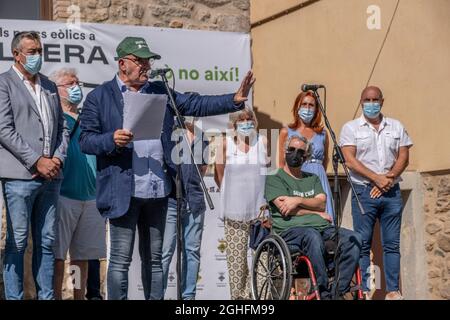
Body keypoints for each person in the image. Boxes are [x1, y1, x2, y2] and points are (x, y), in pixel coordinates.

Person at [79, 36, 255, 300]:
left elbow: (196, 104)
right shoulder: (99, 97)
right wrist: (111, 139)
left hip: (157, 190)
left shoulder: (160, 91)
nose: (146, 66)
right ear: (123, 63)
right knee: (119, 261)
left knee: (155, 261)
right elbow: (86, 140)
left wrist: (235, 99)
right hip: (123, 190)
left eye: (148, 61)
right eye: (140, 61)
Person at [0, 31, 69, 299]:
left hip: (51, 177)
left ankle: (46, 296)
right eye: (31, 52)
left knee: (47, 242)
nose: (37, 56)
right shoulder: (4, 84)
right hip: (19, 176)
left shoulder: (50, 86)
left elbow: (63, 128)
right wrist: (36, 160)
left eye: (40, 51)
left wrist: (58, 159)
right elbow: (4, 129)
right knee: (17, 242)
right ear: (16, 55)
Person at [265, 135, 361, 300]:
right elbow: (285, 210)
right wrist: (315, 212)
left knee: (354, 238)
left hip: (322, 228)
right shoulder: (274, 178)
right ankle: (322, 291)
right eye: (291, 150)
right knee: (311, 235)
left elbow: (322, 203)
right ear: (285, 151)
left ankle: (337, 291)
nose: (295, 154)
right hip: (290, 232)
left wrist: (298, 200)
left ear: (306, 156)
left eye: (301, 152)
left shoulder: (313, 179)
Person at [339, 86, 413, 300]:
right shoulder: (351, 128)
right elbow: (350, 160)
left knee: (392, 244)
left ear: (382, 100)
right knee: (362, 244)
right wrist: (376, 179)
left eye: (375, 99)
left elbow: (403, 156)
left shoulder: (396, 126)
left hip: (391, 193)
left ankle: (392, 290)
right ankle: (363, 290)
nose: (371, 103)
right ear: (361, 102)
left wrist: (386, 179)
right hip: (363, 192)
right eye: (367, 99)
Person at [49, 68, 106, 300]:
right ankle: (54, 295)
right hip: (64, 195)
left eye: (77, 82)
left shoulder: (88, 119)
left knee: (82, 256)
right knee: (58, 255)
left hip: (91, 198)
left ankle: (79, 295)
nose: (76, 87)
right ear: (57, 90)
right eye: (70, 83)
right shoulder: (54, 118)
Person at [214, 106, 268, 300]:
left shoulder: (263, 141)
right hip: (234, 212)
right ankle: (239, 299)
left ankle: (260, 299)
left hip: (260, 214)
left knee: (262, 261)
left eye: (249, 119)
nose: (246, 123)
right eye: (242, 120)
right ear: (234, 124)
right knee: (236, 265)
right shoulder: (225, 143)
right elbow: (219, 175)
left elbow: (270, 173)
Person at [161, 117, 207, 300]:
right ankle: (158, 295)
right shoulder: (169, 134)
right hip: (171, 200)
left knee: (192, 252)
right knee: (165, 252)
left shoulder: (202, 138)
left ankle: (189, 299)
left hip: (194, 201)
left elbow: (202, 169)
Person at [278, 91, 334, 222]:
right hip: (296, 176)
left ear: (316, 109)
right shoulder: (286, 131)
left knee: (324, 218)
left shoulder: (323, 133)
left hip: (318, 178)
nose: (307, 108)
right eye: (304, 104)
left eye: (311, 105)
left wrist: (318, 174)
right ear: (297, 107)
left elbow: (325, 160)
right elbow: (281, 163)